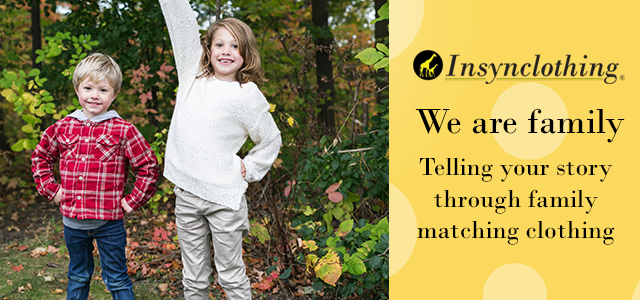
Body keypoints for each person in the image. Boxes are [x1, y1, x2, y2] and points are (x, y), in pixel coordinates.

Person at [158, 0, 282, 299]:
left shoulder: (247, 96)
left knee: (230, 274)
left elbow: (271, 138)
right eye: (220, 44)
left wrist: (251, 168)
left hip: (224, 200)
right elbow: (183, 25)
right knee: (194, 276)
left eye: (235, 46)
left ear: (246, 55)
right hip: (187, 194)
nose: (226, 51)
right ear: (208, 49)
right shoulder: (192, 76)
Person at [31, 53, 159, 300]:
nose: (94, 95)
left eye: (103, 90)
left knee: (117, 278)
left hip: (109, 223)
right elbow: (40, 157)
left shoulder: (123, 130)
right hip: (73, 223)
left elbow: (148, 166)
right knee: (78, 275)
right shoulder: (63, 126)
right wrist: (52, 189)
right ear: (77, 89)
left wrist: (132, 201)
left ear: (114, 94)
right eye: (88, 88)